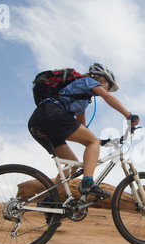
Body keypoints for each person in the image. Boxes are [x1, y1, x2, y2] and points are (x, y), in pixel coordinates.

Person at [28, 63, 139, 198]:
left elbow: (82, 127)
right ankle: (87, 182)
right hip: (51, 113)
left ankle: (51, 200)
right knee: (92, 142)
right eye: (109, 87)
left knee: (72, 164)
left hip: (38, 120)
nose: (108, 91)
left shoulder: (81, 98)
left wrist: (101, 142)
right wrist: (128, 116)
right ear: (102, 80)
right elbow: (107, 97)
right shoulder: (88, 81)